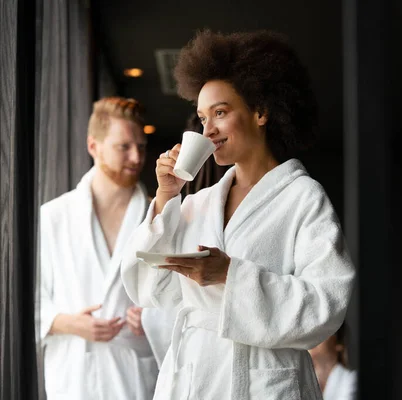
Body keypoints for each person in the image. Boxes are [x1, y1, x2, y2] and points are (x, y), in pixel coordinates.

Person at [120, 30, 355, 399]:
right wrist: (166, 196)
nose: (207, 130)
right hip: (194, 377)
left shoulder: (302, 198)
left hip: (263, 382)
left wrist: (231, 276)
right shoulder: (197, 203)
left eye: (220, 113)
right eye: (201, 118)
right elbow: (149, 291)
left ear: (260, 112)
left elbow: (327, 303)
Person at [39, 97, 159, 399]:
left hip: (134, 376)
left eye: (142, 147)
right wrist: (67, 323)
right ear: (94, 146)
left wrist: (151, 317)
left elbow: (177, 298)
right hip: (74, 376)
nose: (136, 157)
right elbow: (26, 297)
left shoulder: (156, 219)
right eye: (124, 147)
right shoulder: (54, 216)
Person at [309, 323, 357, 400]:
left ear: (339, 343)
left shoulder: (353, 381)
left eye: (322, 332)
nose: (313, 338)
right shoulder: (303, 382)